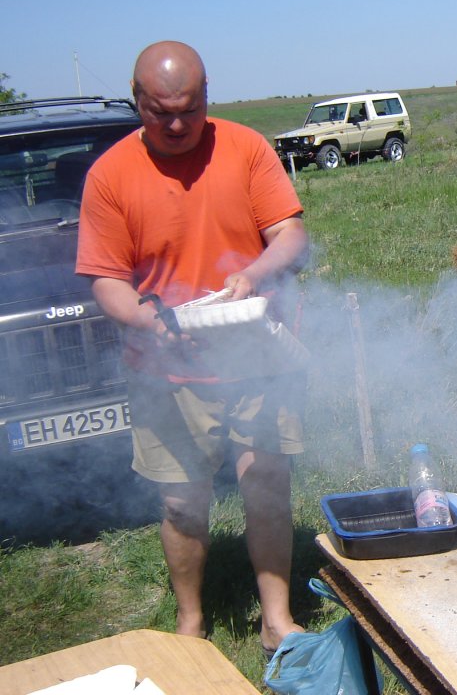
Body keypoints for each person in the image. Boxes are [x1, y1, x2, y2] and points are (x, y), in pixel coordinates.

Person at [76, 41, 309, 657]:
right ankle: (191, 624)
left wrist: (254, 275)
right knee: (181, 499)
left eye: (190, 108)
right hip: (167, 366)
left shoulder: (245, 148)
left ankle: (276, 619)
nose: (177, 125)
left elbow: (289, 232)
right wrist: (146, 318)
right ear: (137, 101)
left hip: (258, 353)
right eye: (160, 112)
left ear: (208, 96)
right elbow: (106, 279)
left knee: (266, 483)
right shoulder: (110, 175)